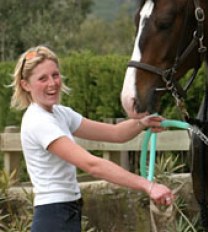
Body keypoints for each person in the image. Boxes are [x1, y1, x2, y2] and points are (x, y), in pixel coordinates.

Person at [10, 45, 174, 232]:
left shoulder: (60, 113)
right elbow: (92, 165)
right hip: (54, 217)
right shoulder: (38, 121)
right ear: (25, 85)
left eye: (55, 75)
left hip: (66, 213)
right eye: (42, 78)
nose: (52, 83)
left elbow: (115, 134)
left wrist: (143, 123)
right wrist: (148, 186)